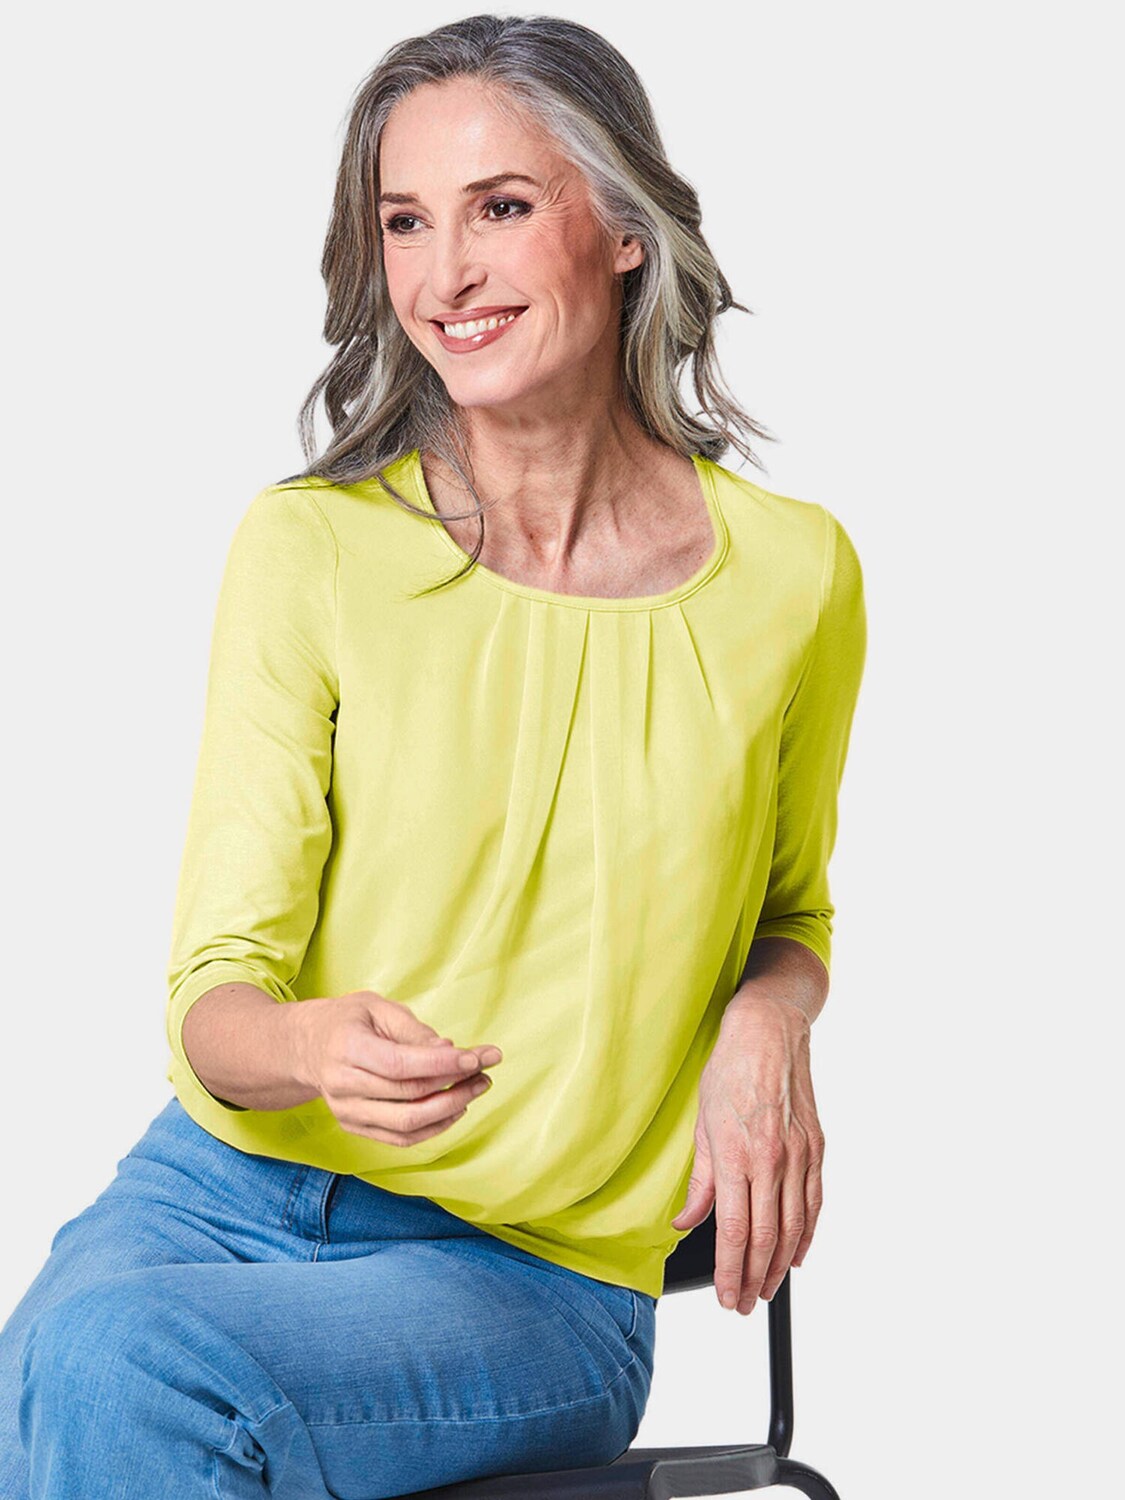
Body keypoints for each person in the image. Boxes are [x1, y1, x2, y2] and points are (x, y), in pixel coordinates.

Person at [0, 12, 867, 1497]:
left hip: (535, 1273)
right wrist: (306, 1048)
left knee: (117, 1373)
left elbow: (790, 912)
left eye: (501, 208)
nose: (443, 276)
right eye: (404, 222)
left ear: (626, 232)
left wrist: (769, 1020)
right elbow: (213, 999)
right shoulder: (314, 548)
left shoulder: (791, 579)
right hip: (219, 1193)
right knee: (79, 1372)